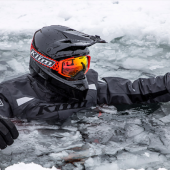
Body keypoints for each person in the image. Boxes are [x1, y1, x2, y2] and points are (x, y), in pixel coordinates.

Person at [0, 25, 170, 148]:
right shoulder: (10, 94)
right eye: (70, 66)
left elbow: (141, 89)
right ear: (46, 65)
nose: (80, 73)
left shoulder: (94, 86)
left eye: (83, 63)